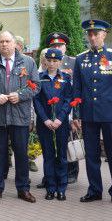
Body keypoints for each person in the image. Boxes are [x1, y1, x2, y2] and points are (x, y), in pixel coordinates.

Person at [0, 31, 41, 203]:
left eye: (7, 41)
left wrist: (20, 96)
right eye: (1, 42)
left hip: (19, 115)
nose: (4, 44)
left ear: (14, 43)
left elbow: (36, 86)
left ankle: (23, 189)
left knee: (21, 154)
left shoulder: (28, 62)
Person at [72, 19, 112, 206]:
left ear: (104, 34)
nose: (92, 37)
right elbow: (77, 89)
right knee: (91, 154)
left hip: (111, 114)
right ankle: (94, 190)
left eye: (96, 34)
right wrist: (76, 114)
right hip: (88, 114)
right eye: (90, 34)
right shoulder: (81, 59)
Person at [33, 48, 73, 201]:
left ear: (60, 62)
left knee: (62, 155)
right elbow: (36, 100)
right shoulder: (39, 78)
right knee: (48, 155)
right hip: (45, 123)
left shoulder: (66, 78)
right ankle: (50, 188)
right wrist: (45, 119)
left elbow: (68, 100)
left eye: (55, 61)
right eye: (49, 60)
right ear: (45, 61)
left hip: (60, 123)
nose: (51, 63)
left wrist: (60, 119)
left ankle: (61, 188)